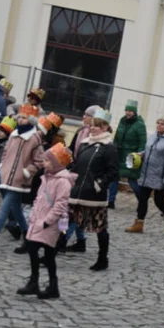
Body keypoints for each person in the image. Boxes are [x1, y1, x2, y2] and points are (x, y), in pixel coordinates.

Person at [0, 104, 46, 254]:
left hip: (19, 180)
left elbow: (39, 161)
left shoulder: (34, 139)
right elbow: (6, 152)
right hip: (7, 177)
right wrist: (2, 166)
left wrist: (27, 172)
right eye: (20, 117)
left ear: (31, 120)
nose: (21, 120)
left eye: (25, 118)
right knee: (17, 210)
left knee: (4, 210)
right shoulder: (13, 135)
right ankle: (28, 240)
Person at [17, 143, 75, 300]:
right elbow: (39, 198)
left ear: (56, 163)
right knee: (47, 254)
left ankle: (35, 282)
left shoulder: (62, 181)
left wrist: (46, 221)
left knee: (33, 247)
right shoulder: (47, 178)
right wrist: (34, 216)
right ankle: (51, 286)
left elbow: (60, 205)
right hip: (39, 220)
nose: (44, 163)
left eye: (48, 161)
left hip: (49, 223)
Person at [67, 108, 119, 271]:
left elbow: (113, 172)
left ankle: (103, 258)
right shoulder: (85, 144)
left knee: (100, 228)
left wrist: (99, 184)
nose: (92, 128)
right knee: (66, 222)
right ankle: (51, 252)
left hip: (95, 196)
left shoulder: (108, 147)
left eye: (96, 126)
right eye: (92, 125)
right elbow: (78, 163)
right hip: (78, 192)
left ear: (104, 127)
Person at [127, 114, 164, 234]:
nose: (159, 125)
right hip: (147, 173)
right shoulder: (153, 136)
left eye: (162, 124)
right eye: (158, 123)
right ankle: (139, 223)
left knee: (158, 200)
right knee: (142, 198)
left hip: (160, 175)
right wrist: (141, 154)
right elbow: (149, 150)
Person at [113, 100, 147, 207]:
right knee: (114, 177)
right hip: (119, 154)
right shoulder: (122, 121)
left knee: (132, 180)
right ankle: (110, 201)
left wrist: (139, 155)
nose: (128, 112)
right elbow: (117, 137)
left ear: (135, 112)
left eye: (130, 111)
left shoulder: (140, 125)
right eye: (127, 110)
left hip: (131, 156)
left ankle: (142, 202)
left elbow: (143, 142)